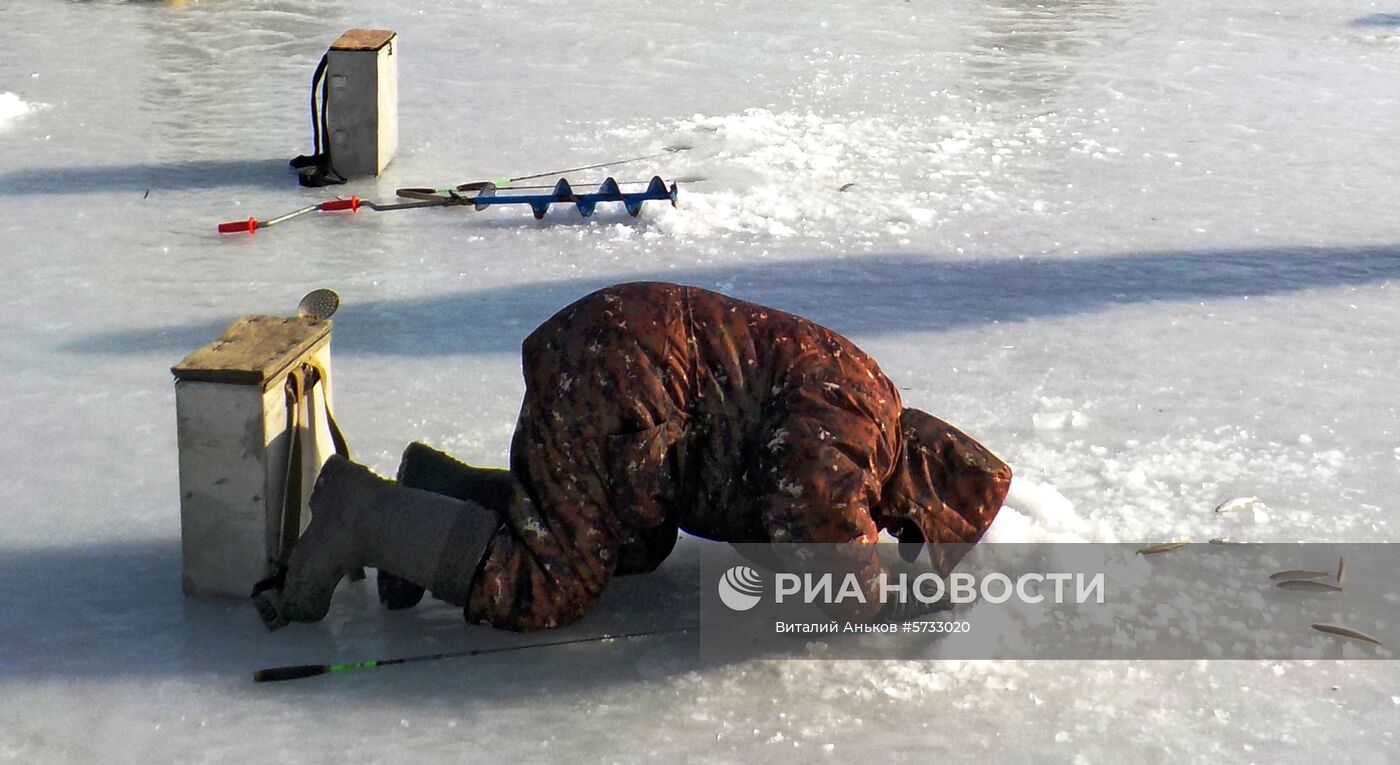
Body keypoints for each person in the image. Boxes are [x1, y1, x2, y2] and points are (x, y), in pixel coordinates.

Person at [254, 282, 1012, 632]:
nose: (896, 538)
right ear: (922, 494)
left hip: (633, 381)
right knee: (552, 584)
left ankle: (440, 490)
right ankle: (364, 514)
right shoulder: (859, 422)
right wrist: (882, 601)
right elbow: (810, 524)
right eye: (913, 537)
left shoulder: (867, 402)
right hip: (620, 379)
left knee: (631, 544)